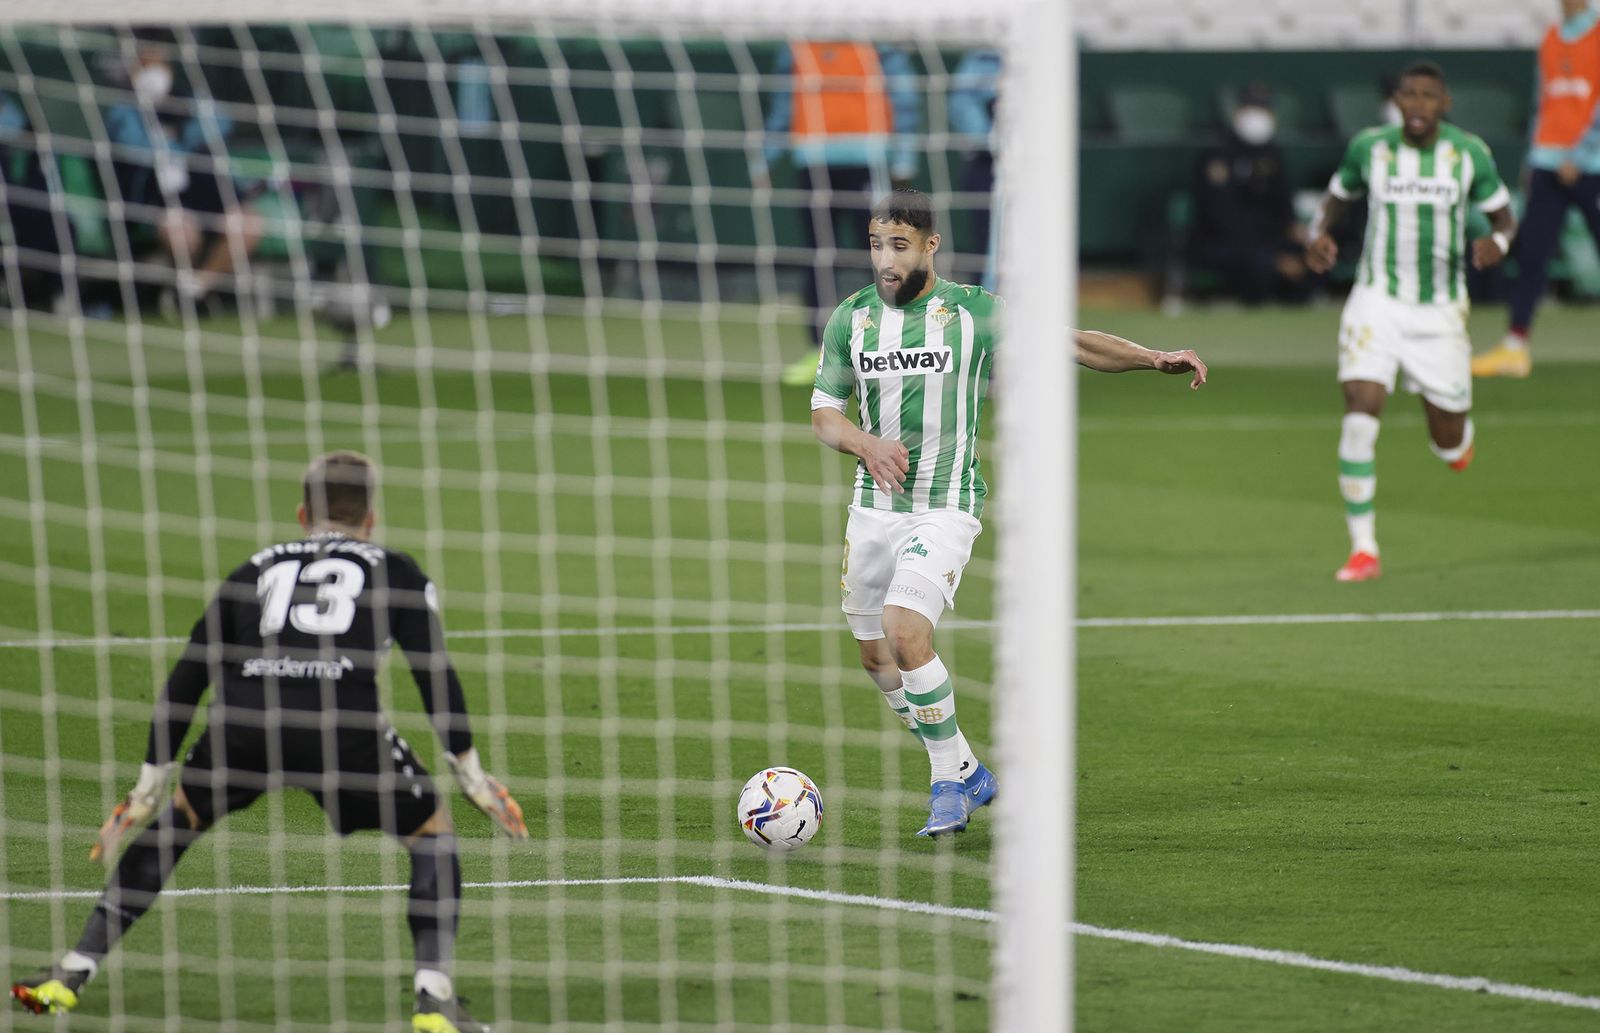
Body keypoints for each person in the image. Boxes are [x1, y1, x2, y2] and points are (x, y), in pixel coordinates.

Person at [10, 452, 526, 1033]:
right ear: (372, 518)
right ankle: (433, 999)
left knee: (179, 822)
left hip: (243, 725)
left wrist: (150, 785)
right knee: (432, 834)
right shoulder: (397, 569)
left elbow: (188, 675)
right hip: (344, 727)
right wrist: (472, 776)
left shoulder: (254, 567)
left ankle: (72, 971)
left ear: (303, 512)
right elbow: (433, 672)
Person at [810, 188, 1207, 837]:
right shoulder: (849, 319)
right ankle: (968, 766)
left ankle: (946, 784)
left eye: (899, 244)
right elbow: (825, 412)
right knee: (878, 659)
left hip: (945, 505)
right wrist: (865, 442)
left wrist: (1152, 358)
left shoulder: (973, 312)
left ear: (930, 246)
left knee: (906, 629)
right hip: (871, 510)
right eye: (877, 243)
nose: (885, 256)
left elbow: (1074, 343)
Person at [1305, 62, 1517, 583]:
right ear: (1396, 101)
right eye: (1409, 95)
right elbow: (1336, 198)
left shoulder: (1468, 154)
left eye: (1428, 96)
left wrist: (1499, 244)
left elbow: (1504, 218)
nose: (1418, 104)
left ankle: (1457, 439)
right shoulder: (1369, 149)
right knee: (1361, 406)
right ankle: (1364, 549)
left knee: (1447, 442)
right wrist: (1318, 235)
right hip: (1375, 298)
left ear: (1444, 104)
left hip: (1439, 310)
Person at [751, 41, 921, 387]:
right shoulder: (798, 46)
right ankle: (820, 350)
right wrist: (765, 155)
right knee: (817, 255)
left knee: (880, 255)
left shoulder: (879, 43)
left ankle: (882, 350)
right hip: (813, 161)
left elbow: (905, 101)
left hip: (867, 160)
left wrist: (904, 156)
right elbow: (784, 103)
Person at [1473, 0, 1600, 379]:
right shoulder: (1550, 38)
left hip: (1589, 166)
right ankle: (1515, 346)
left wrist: (1581, 154)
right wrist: (1532, 158)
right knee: (1532, 252)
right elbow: (1542, 101)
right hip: (1547, 162)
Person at [103, 33, 264, 314]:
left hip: (207, 193)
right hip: (164, 199)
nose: (153, 72)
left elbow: (219, 125)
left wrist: (183, 116)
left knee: (247, 224)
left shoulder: (190, 101)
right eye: (145, 64)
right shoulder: (124, 111)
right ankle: (184, 291)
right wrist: (161, 130)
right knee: (181, 233)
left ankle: (197, 288)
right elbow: (136, 150)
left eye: (158, 64)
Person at [1188, 82, 1312, 305]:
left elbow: (1283, 203)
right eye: (1252, 108)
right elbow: (1220, 218)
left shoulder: (1272, 154)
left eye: (1263, 109)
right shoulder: (1217, 154)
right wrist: (1273, 258)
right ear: (1238, 112)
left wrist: (1294, 229)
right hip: (1223, 241)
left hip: (1267, 239)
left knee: (1312, 258)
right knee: (1256, 265)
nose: (1258, 116)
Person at [948, 48, 1001, 291]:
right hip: (986, 162)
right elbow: (961, 104)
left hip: (1034, 164)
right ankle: (987, 304)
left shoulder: (1048, 54)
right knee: (988, 241)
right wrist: (992, 142)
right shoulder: (981, 59)